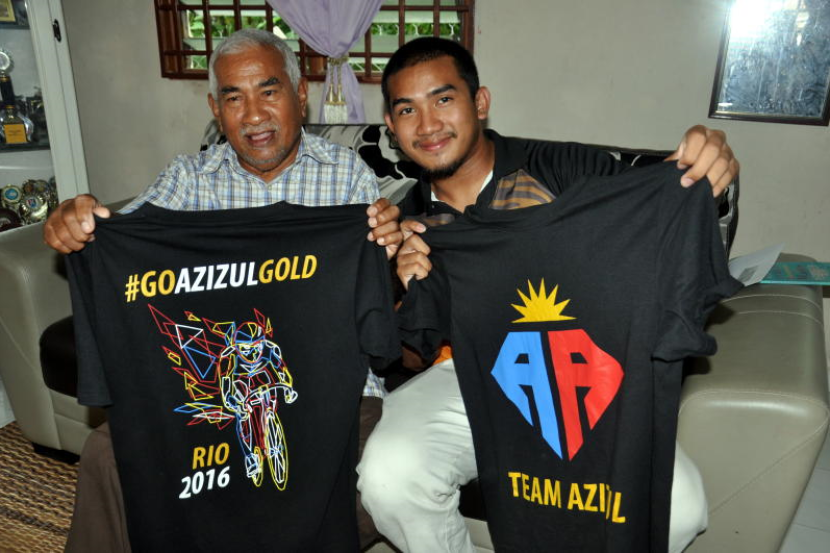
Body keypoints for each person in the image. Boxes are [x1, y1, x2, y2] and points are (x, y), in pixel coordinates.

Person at [356, 37, 740, 553]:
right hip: (466, 373)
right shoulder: (406, 222)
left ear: (480, 102)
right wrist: (403, 288)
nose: (427, 125)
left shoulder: (563, 169)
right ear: (392, 126)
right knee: (388, 474)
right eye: (407, 110)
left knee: (679, 507)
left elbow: (658, 202)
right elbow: (408, 357)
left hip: (582, 360)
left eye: (443, 99)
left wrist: (705, 160)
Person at [43, 28, 401, 551]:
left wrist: (386, 248)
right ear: (216, 108)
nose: (253, 115)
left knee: (349, 480)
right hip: (220, 391)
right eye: (234, 98)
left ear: (300, 96)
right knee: (105, 451)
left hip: (331, 391)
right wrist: (76, 222)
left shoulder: (346, 177)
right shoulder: (189, 179)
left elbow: (375, 302)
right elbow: (119, 241)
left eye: (269, 91)